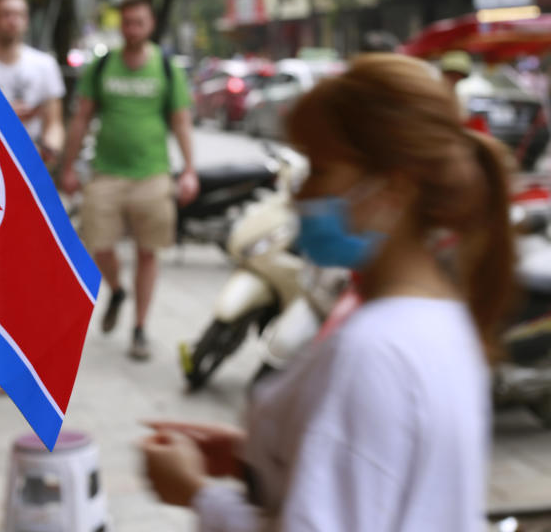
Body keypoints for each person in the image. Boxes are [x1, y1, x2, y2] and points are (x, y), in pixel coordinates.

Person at [141, 54, 515, 530]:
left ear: (391, 191)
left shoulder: (375, 351)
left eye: (319, 170)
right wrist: (249, 456)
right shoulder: (440, 318)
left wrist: (196, 494)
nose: (299, 195)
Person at [60, 0, 199, 361]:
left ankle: (139, 329)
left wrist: (189, 170)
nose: (133, 28)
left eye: (139, 21)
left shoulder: (167, 68)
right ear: (120, 25)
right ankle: (117, 289)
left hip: (153, 173)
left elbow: (181, 121)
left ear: (150, 24)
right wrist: (69, 167)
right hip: (106, 173)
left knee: (147, 251)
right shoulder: (102, 67)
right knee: (96, 244)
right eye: (127, 21)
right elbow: (81, 118)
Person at [0, 0, 65, 164]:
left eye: (20, 14)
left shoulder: (45, 64)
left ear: (27, 20)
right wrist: (4, 115)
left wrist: (48, 150)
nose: (13, 20)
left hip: (31, 161)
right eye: (6, 14)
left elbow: (54, 122)